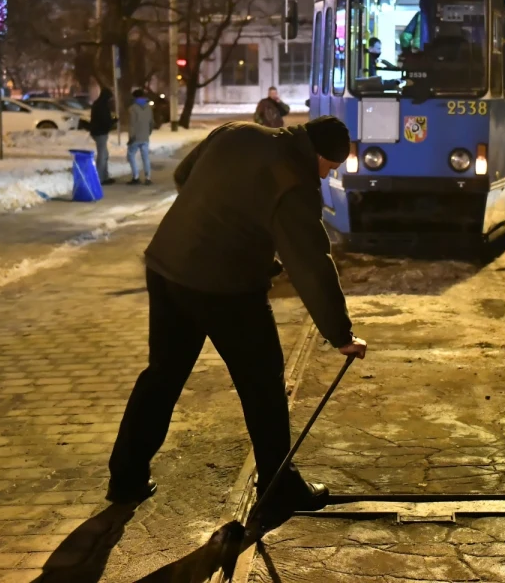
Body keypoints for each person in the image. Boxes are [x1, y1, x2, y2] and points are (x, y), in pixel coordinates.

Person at [106, 116, 368, 533]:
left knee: (163, 376)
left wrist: (213, 222)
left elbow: (183, 175)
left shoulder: (238, 132)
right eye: (330, 167)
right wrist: (340, 334)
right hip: (225, 288)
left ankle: (126, 478)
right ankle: (278, 488)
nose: (329, 174)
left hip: (167, 267)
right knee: (263, 383)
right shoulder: (294, 181)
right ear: (318, 156)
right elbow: (311, 264)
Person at [89, 88, 116, 185]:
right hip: (100, 132)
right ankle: (100, 178)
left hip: (97, 132)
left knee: (105, 154)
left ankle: (104, 176)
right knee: (102, 155)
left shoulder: (97, 104)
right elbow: (104, 120)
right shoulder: (102, 106)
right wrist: (113, 122)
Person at [127, 89, 154, 185]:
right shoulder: (148, 108)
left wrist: (131, 137)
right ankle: (148, 177)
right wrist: (148, 132)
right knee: (145, 157)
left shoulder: (133, 108)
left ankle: (136, 176)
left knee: (130, 155)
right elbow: (151, 122)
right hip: (145, 136)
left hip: (136, 137)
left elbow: (132, 124)